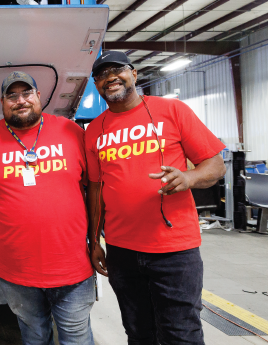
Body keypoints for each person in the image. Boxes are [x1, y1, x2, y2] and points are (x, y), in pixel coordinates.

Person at [85, 51, 227, 345]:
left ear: (134, 74)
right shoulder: (94, 131)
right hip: (121, 250)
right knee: (138, 332)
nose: (110, 77)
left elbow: (215, 166)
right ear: (97, 85)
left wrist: (188, 178)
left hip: (174, 250)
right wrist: (94, 241)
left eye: (117, 70)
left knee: (181, 334)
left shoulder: (172, 110)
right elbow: (97, 189)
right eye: (101, 74)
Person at [0, 71, 95, 345]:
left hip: (71, 264)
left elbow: (95, 188)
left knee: (76, 337)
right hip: (16, 267)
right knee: (34, 336)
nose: (20, 100)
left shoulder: (70, 131)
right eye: (11, 96)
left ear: (38, 96)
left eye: (26, 93)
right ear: (2, 102)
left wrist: (97, 240)